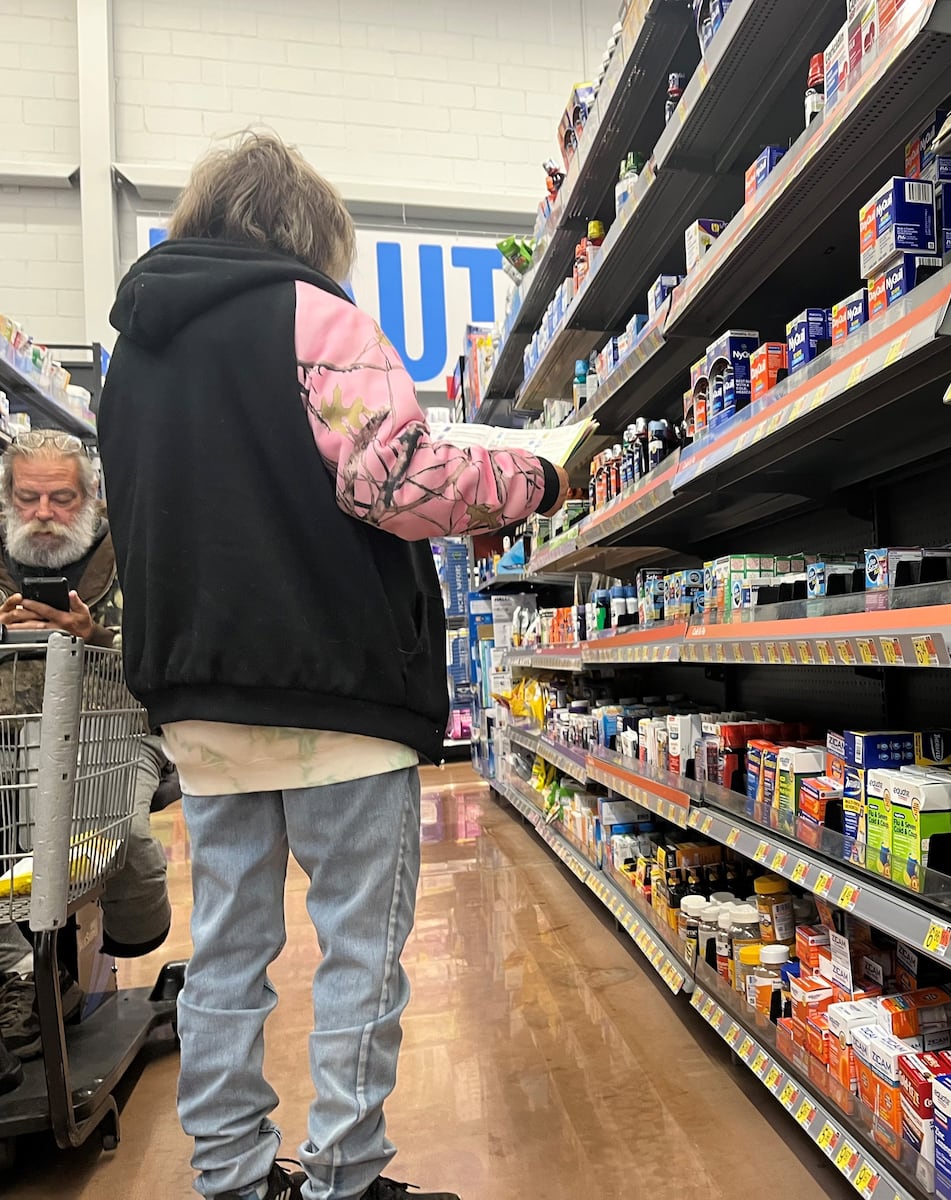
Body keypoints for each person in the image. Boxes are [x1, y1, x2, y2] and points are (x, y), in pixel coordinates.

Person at [98, 131, 566, 1200]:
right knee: (358, 949)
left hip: (200, 699)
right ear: (311, 232)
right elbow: (394, 485)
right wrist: (530, 479)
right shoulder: (316, 317)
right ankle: (343, 1178)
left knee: (228, 951)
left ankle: (233, 1177)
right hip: (335, 689)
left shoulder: (137, 354)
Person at [0, 430, 172, 1088]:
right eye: (29, 497)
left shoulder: (134, 551)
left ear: (92, 497)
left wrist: (95, 636)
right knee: (13, 857)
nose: (44, 512)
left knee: (113, 835)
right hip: (8, 731)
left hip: (112, 725)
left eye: (62, 498)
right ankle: (24, 979)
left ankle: (136, 925)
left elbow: (170, 651)